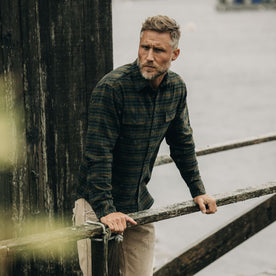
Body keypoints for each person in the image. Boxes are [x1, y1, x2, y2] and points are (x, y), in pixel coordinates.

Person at [74, 15, 217, 276]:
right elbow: (98, 153)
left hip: (138, 205)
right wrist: (107, 210)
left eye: (158, 50)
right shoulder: (112, 89)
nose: (149, 56)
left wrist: (198, 191)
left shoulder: (176, 88)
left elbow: (182, 143)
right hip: (97, 205)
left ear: (175, 54)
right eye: (144, 47)